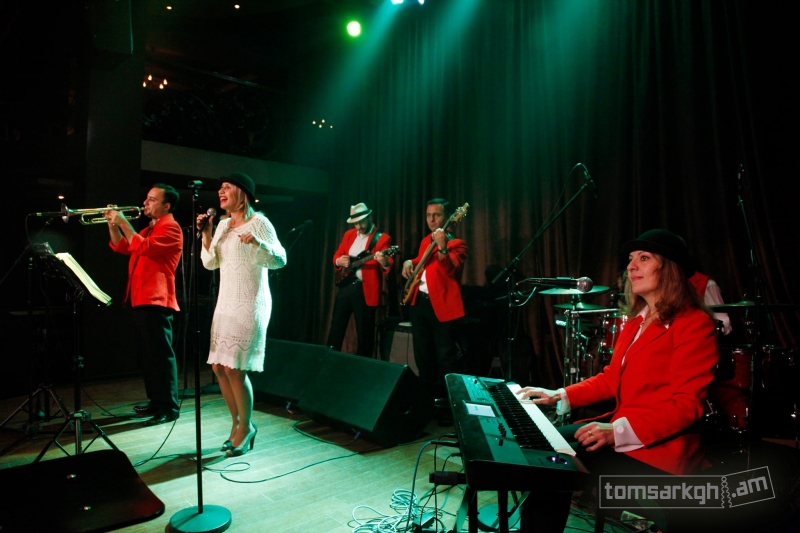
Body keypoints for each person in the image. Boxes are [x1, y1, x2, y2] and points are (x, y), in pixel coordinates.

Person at [516, 229, 719, 531]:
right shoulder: (637, 321)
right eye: (631, 259)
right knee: (545, 445)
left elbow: (686, 406)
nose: (631, 266)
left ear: (670, 268)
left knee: (556, 466)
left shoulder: (694, 324)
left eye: (644, 258)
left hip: (660, 452)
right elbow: (612, 379)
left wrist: (616, 431)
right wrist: (559, 394)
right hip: (622, 432)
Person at [197, 172, 286, 456]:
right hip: (226, 302)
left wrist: (258, 243)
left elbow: (280, 259)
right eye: (220, 188)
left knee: (235, 367)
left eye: (227, 187)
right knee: (219, 367)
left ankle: (246, 426)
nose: (220, 191)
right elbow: (210, 263)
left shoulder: (259, 222)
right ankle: (236, 423)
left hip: (250, 301)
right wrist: (207, 233)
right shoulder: (223, 225)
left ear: (242, 193)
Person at [106, 184, 183, 427]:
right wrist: (113, 224)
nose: (145, 203)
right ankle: (156, 402)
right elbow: (122, 246)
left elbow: (142, 247)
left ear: (166, 206)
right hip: (141, 298)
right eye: (147, 199)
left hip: (156, 299)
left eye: (151, 200)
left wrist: (123, 222)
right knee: (149, 357)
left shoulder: (171, 227)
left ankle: (168, 407)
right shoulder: (150, 228)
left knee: (160, 357)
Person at [401, 198, 468, 421]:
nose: (431, 219)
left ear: (447, 217)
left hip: (442, 306)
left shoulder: (457, 243)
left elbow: (450, 269)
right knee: (423, 357)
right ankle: (426, 406)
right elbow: (421, 260)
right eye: (428, 215)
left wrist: (442, 246)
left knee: (446, 359)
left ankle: (450, 409)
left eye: (436, 215)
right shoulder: (425, 241)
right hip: (420, 304)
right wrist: (409, 262)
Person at [328, 203, 393, 357]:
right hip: (346, 287)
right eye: (355, 223)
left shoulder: (382, 238)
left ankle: (362, 366)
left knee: (365, 334)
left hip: (365, 290)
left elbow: (388, 264)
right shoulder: (349, 234)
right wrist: (338, 261)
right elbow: (337, 255)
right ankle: (329, 359)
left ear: (369, 217)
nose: (359, 226)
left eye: (361, 221)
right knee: (336, 328)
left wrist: (383, 261)